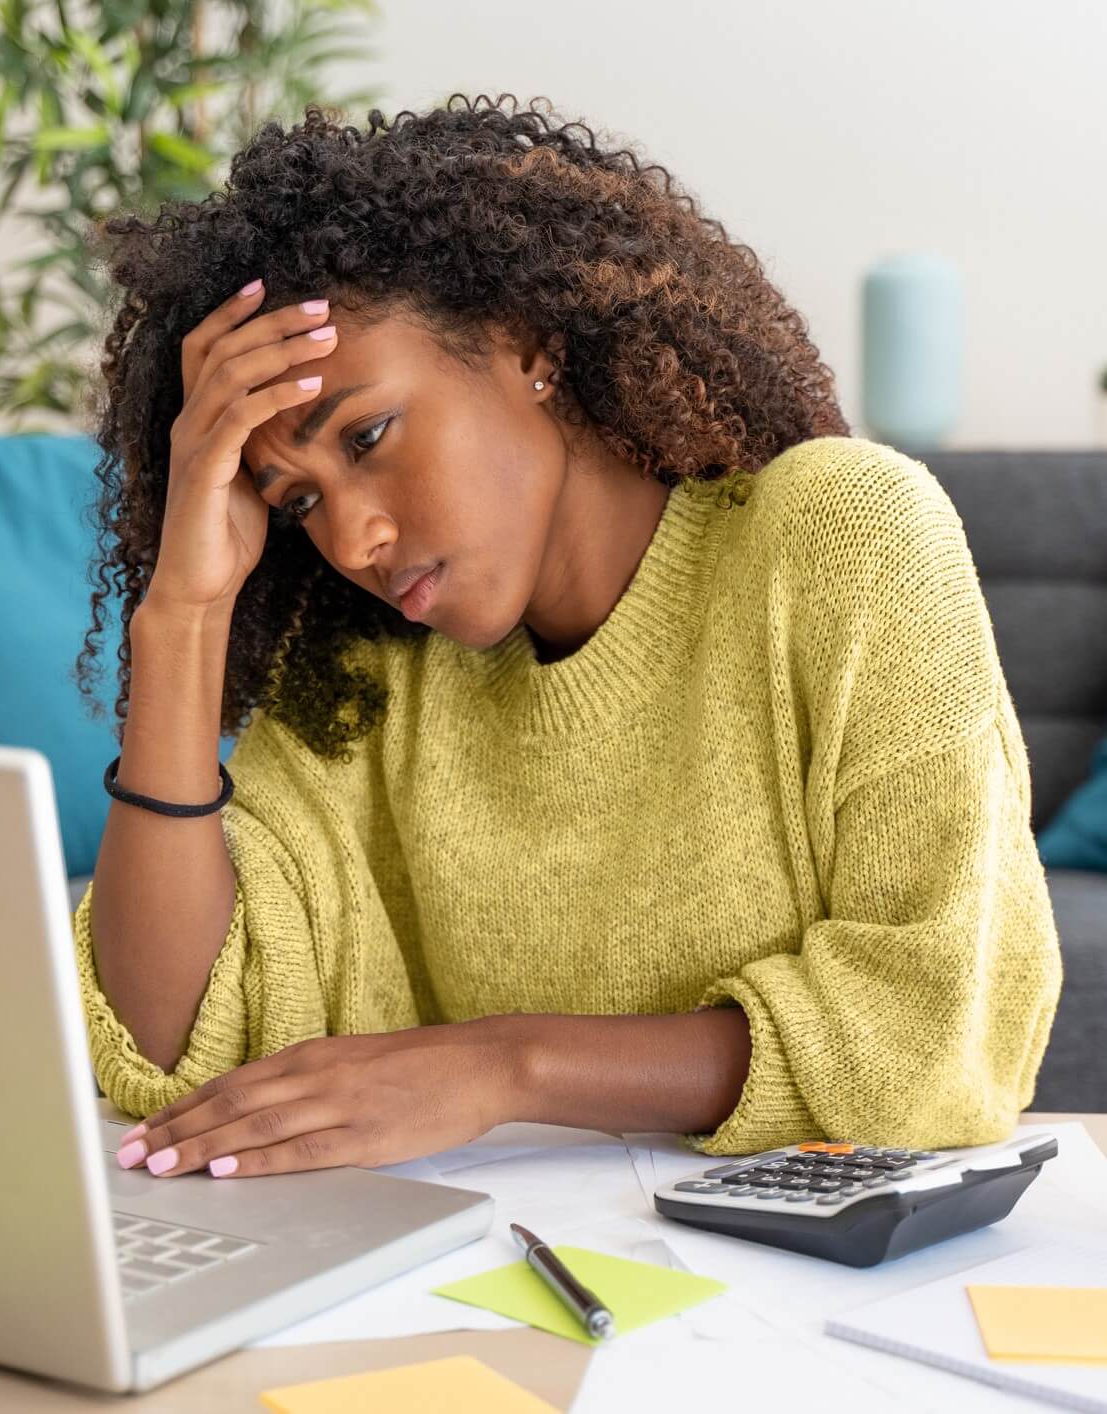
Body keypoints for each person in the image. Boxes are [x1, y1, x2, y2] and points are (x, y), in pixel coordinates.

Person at [70, 94, 1061, 1184]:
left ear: (527, 346)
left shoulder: (840, 533)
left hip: (814, 1291)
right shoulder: (364, 668)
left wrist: (506, 1066)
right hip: (493, 1277)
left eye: (367, 434)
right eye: (296, 502)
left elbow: (948, 1032)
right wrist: (183, 614)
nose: (353, 535)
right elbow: (167, 1048)